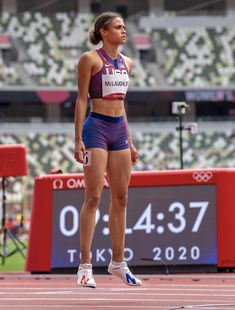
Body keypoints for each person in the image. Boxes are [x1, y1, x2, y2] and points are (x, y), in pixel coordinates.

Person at [74, 11, 142, 288]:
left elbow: (121, 105)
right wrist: (77, 139)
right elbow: (81, 100)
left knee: (122, 197)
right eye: (118, 27)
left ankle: (118, 263)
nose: (123, 31)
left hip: (118, 132)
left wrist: (130, 140)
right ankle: (85, 267)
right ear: (104, 31)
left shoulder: (128, 63)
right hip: (96, 129)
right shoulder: (89, 59)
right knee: (93, 197)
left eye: (124, 26)